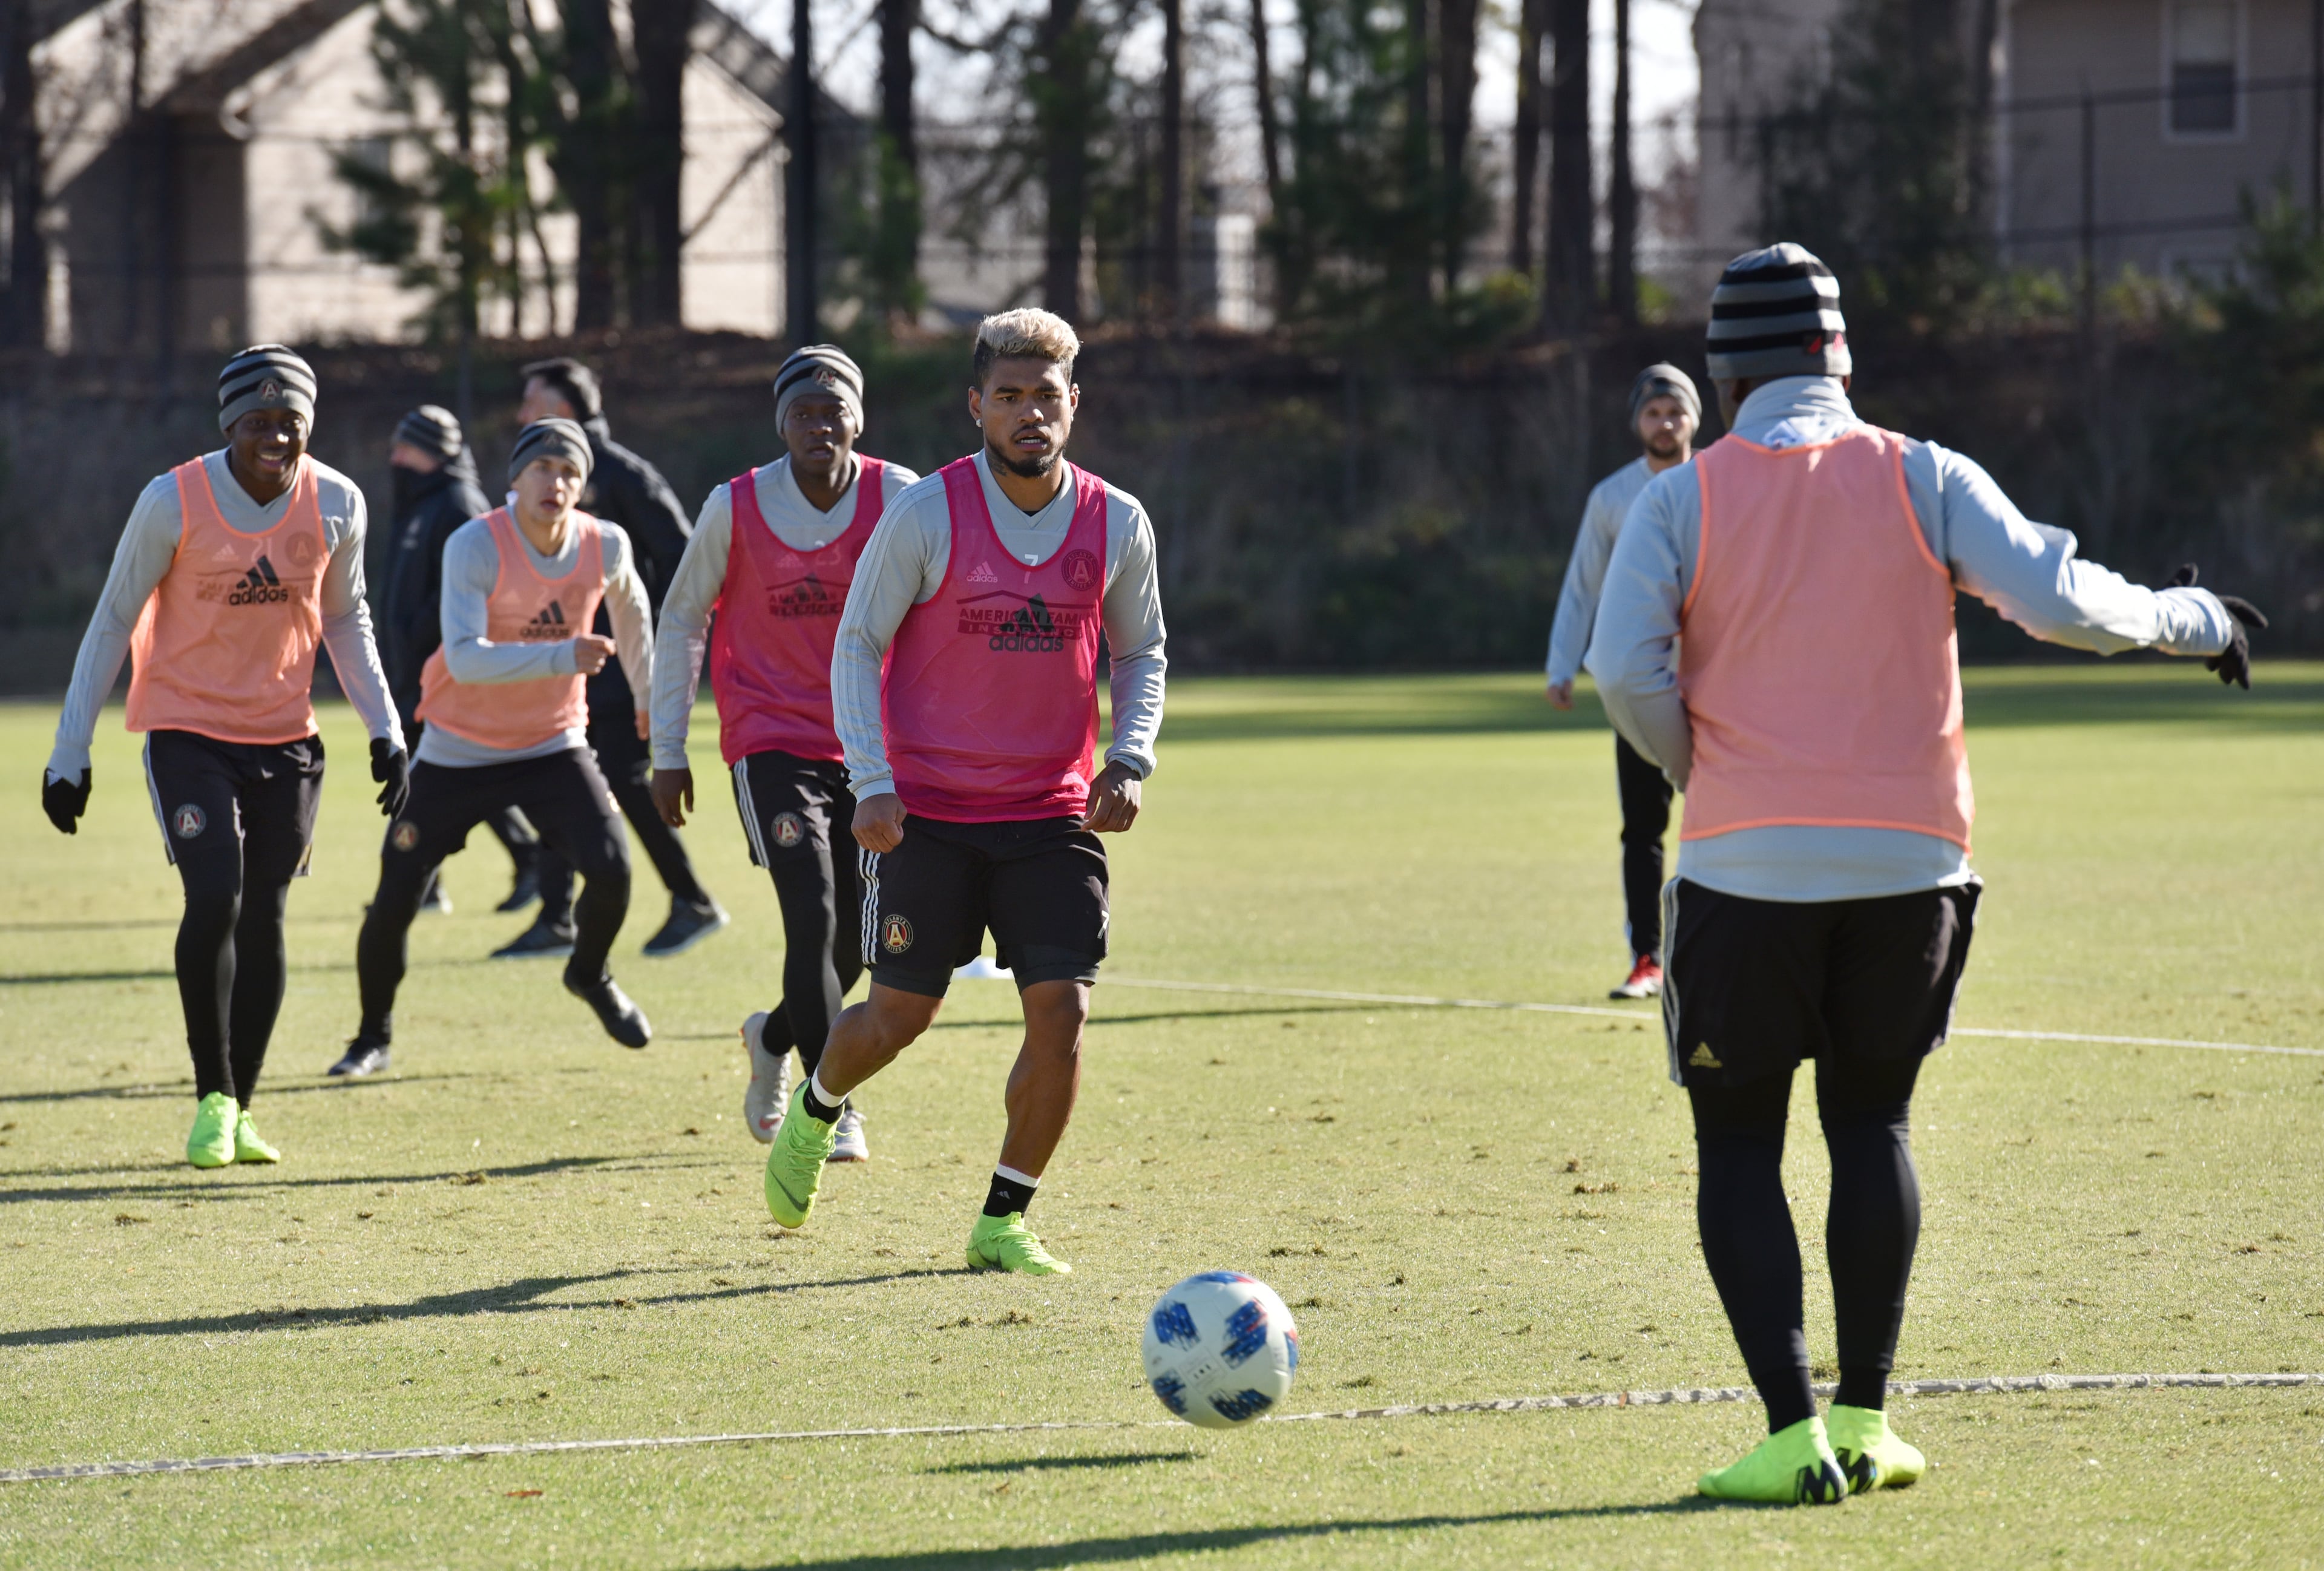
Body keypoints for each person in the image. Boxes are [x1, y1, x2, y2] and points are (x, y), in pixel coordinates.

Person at [1587, 243, 2267, 1505]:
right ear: (1843, 354)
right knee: (1874, 1122)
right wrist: (2200, 618)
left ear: (1727, 367)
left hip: (1743, 872)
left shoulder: (1683, 498)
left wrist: (1708, 776)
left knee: (1739, 1142)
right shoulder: (1924, 471)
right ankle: (1868, 1421)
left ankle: (1791, 1433)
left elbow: (1627, 671)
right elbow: (2063, 600)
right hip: (1916, 868)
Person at [760, 309, 1166, 1276]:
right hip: (929, 816)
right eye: (1011, 396)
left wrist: (1131, 756)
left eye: (1049, 397)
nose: (1031, 413)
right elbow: (857, 646)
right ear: (977, 404)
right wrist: (872, 781)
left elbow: (1141, 650)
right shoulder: (929, 512)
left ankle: (1003, 1220)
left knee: (1061, 1013)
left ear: (1076, 405)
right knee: (900, 1018)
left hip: (1051, 817)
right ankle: (816, 1111)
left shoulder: (1118, 521)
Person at [42, 345, 409, 1167]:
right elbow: (111, 619)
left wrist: (385, 727)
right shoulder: (172, 500)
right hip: (186, 729)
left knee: (267, 915)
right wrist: (71, 751)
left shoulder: (340, 502)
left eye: (291, 422)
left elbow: (346, 619)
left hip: (287, 738)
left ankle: (242, 1104)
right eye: (257, 422)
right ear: (229, 424)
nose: (275, 437)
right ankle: (210, 1095)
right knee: (216, 896)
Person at [650, 347, 919, 1163]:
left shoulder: (900, 496)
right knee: (812, 914)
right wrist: (669, 749)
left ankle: (769, 1035)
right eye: (802, 412)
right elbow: (681, 620)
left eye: (833, 409)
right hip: (768, 741)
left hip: (869, 746)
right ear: (782, 425)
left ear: (858, 420)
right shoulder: (734, 506)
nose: (819, 424)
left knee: (853, 945)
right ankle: (829, 1103)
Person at [332, 419, 658, 1077]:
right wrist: (565, 652)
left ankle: (589, 974)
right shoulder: (475, 544)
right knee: (397, 892)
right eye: (542, 468)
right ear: (515, 478)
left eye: (570, 472)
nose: (556, 482)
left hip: (553, 744)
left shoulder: (605, 545)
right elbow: (465, 658)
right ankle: (372, 1036)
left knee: (615, 867)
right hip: (458, 748)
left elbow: (633, 616)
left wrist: (653, 702)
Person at [494, 358, 724, 960]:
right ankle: (562, 915)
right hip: (560, 665)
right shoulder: (537, 477)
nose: (522, 414)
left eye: (532, 401)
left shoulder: (622, 474)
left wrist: (660, 643)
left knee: (600, 778)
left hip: (617, 674)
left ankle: (684, 901)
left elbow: (683, 557)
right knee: (554, 774)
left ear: (564, 410)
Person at [1544, 364, 1699, 1000]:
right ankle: (1648, 955)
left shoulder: (1722, 484)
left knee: (1728, 820)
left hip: (1718, 683)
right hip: (1641, 686)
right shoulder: (1613, 497)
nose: (1665, 423)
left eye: (1675, 412)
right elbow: (1584, 584)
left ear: (1695, 418)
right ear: (1637, 421)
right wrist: (1562, 663)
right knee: (1643, 826)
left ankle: (1723, 950)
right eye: (1653, 412)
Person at [379, 403, 542, 917]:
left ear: (429, 452)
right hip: (413, 667)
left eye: (406, 447)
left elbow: (477, 586)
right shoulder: (419, 503)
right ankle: (433, 880)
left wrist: (421, 632)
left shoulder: (457, 504)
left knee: (444, 776)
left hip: (444, 670)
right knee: (437, 775)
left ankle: (514, 860)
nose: (395, 457)